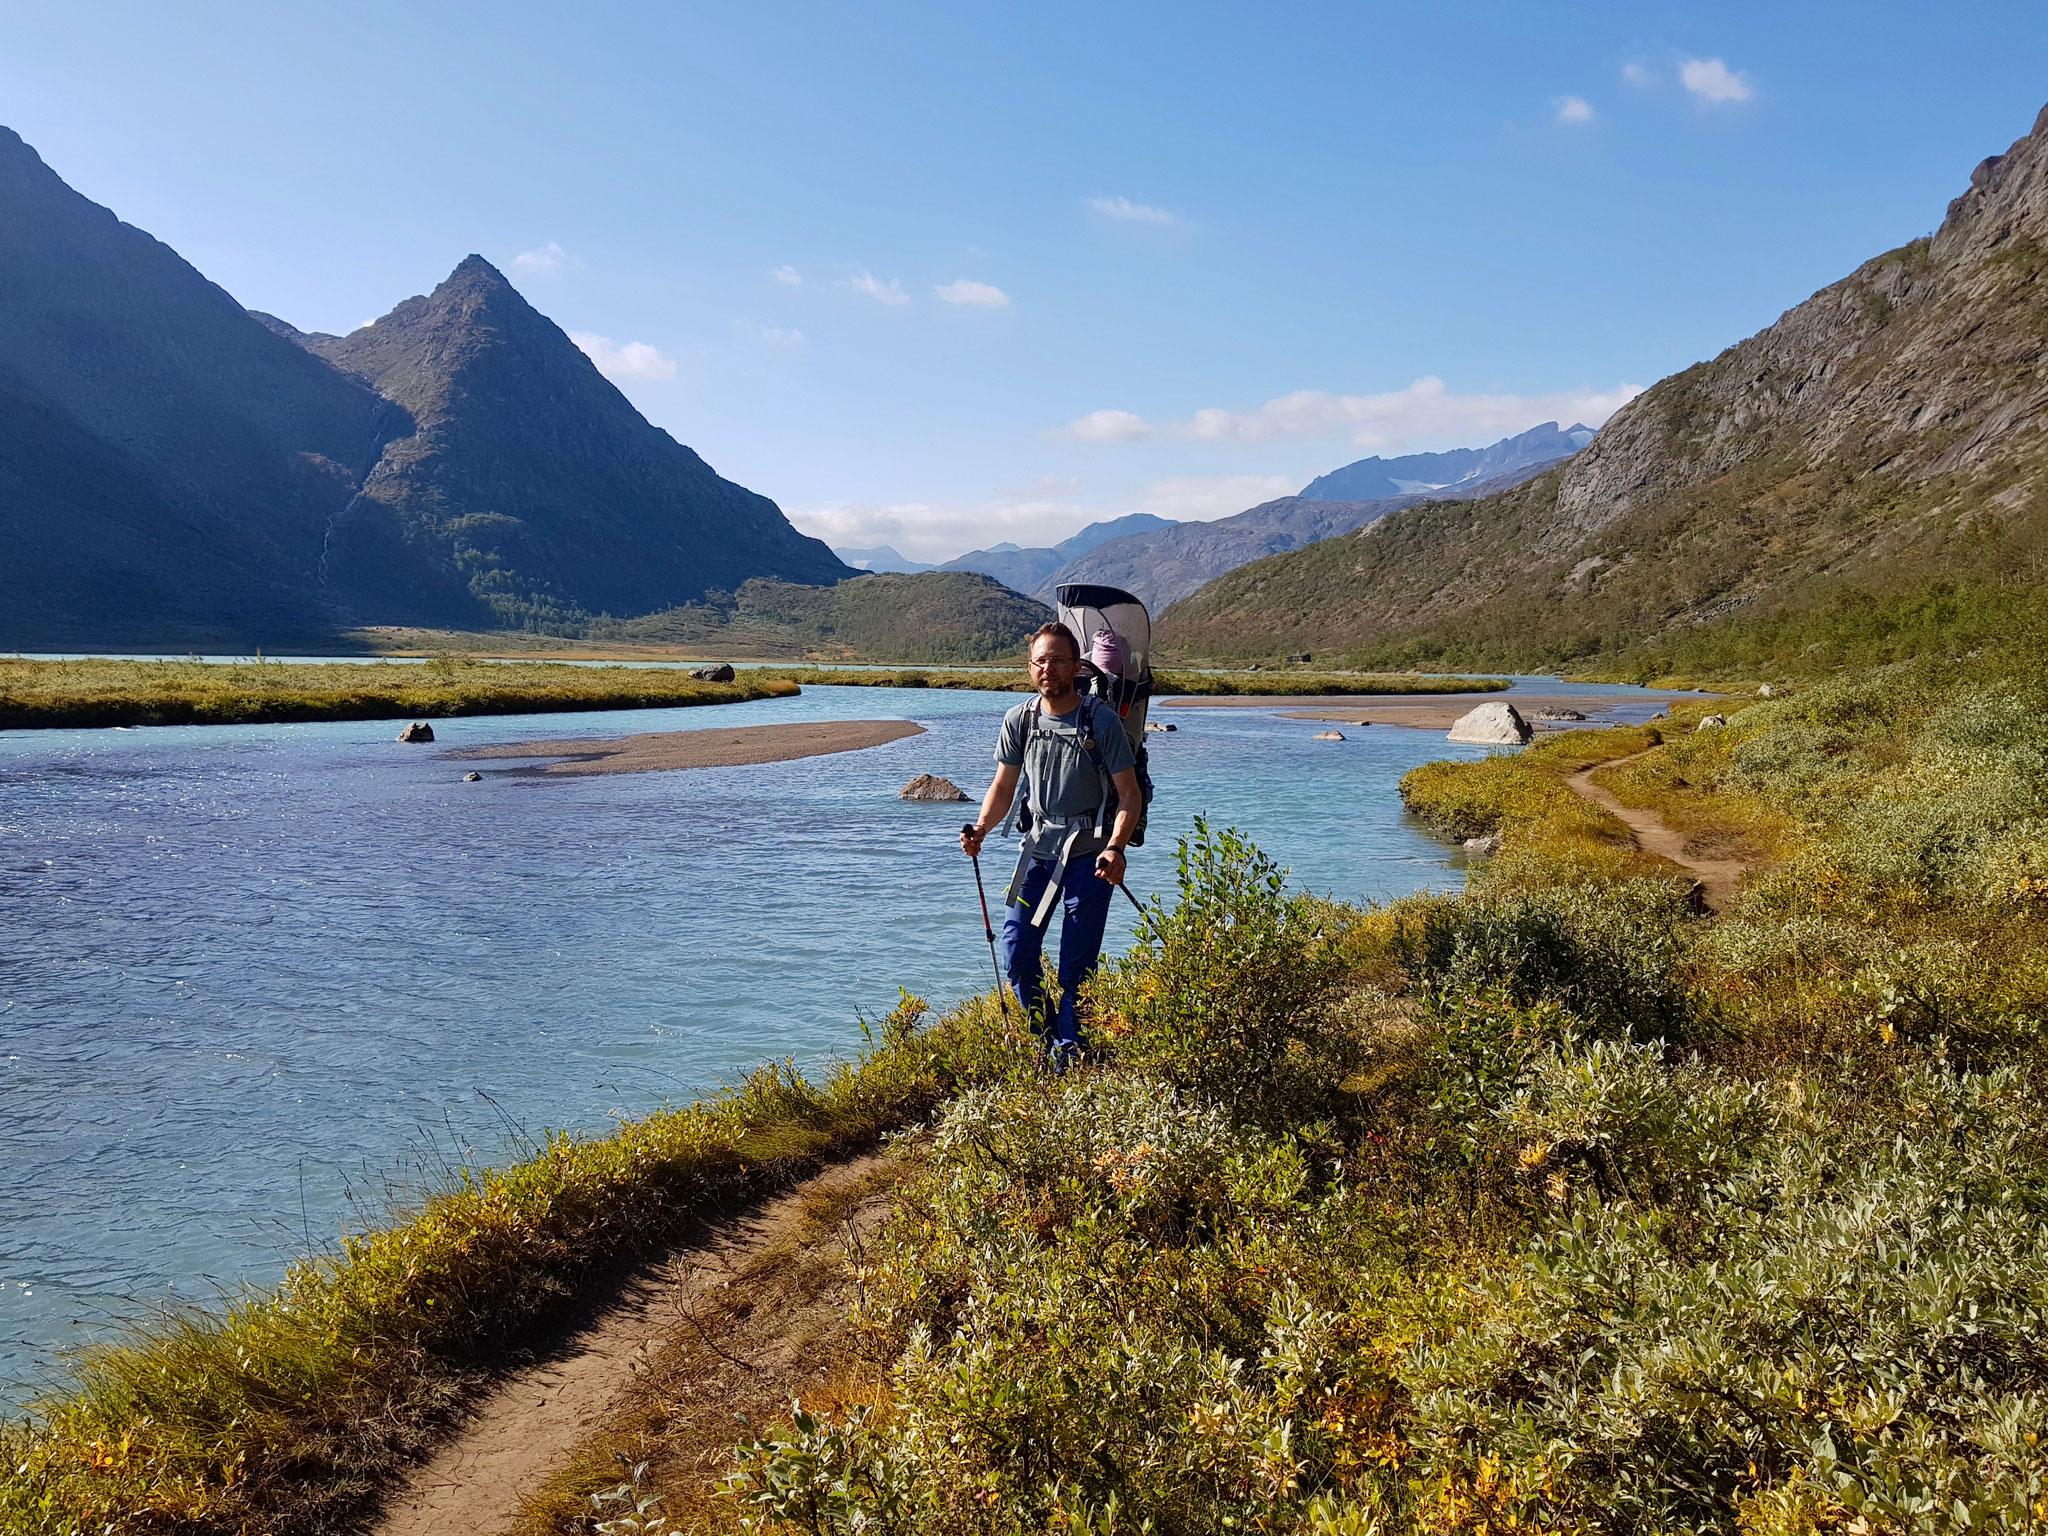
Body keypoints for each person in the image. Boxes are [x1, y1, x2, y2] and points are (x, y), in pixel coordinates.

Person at [960, 621, 1140, 1066]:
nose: (1049, 668)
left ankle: (1071, 1054)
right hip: (1036, 853)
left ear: (1077, 666)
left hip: (1090, 859)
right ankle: (1046, 1040)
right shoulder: (1019, 719)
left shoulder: (1100, 721)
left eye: (1058, 660)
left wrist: (1115, 848)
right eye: (1041, 660)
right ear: (1029, 668)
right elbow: (1003, 787)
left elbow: (1130, 794)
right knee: (1018, 953)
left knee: (1076, 966)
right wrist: (981, 828)